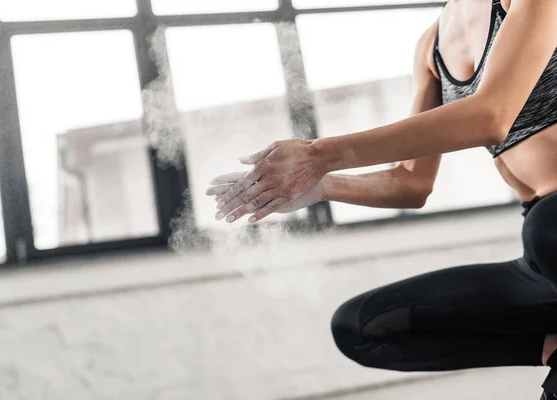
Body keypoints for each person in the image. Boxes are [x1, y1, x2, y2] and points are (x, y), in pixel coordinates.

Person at [205, 0, 557, 397]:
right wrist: (322, 185)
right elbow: (412, 183)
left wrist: (317, 154)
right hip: (542, 258)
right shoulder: (432, 45)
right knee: (360, 326)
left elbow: (491, 116)